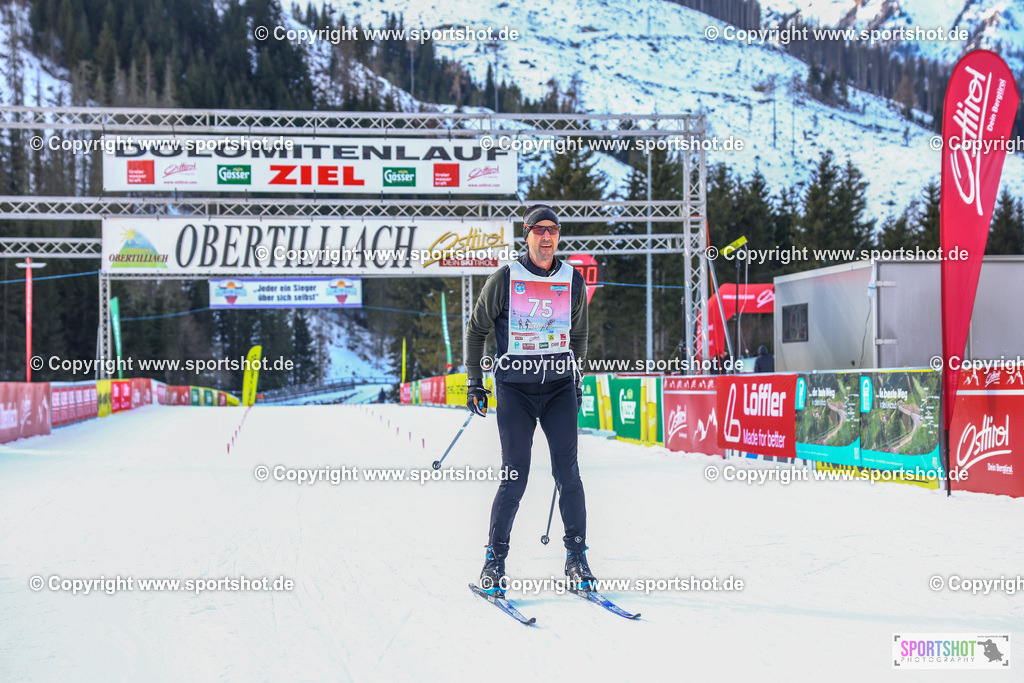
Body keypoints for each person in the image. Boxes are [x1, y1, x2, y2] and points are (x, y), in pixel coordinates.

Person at [464, 204, 593, 596]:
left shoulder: (572, 280)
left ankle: (576, 559)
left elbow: (580, 337)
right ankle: (494, 562)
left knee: (567, 474)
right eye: (539, 230)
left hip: (557, 390)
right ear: (526, 235)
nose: (546, 236)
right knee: (514, 475)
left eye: (552, 230)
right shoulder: (505, 277)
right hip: (515, 390)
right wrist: (475, 384)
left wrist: (577, 378)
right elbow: (476, 329)